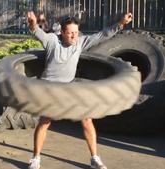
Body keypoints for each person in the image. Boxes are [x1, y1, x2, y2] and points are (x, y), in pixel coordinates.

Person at [26, 11, 133, 169]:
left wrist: (121, 23)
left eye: (76, 33)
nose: (74, 37)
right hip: (50, 88)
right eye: (70, 33)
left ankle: (95, 159)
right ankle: (35, 159)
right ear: (62, 32)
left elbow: (102, 35)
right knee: (45, 122)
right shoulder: (52, 41)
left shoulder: (81, 42)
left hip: (69, 87)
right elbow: (37, 31)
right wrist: (32, 23)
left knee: (87, 119)